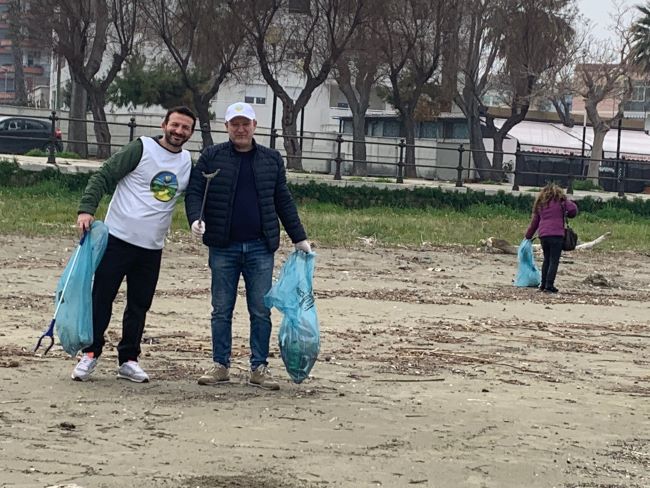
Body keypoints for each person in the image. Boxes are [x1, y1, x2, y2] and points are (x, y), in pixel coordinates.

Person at [185, 102, 311, 391]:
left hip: (260, 248)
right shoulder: (211, 157)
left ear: (255, 126)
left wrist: (299, 237)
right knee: (221, 309)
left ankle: (259, 367)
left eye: (245, 124)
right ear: (227, 127)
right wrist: (195, 218)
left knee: (260, 309)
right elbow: (194, 192)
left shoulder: (271, 159)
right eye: (234, 124)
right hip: (222, 247)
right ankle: (220, 365)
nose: (240, 129)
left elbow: (283, 200)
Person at [71, 106, 197, 382]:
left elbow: (195, 196)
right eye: (175, 125)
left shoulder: (187, 162)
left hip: (151, 248)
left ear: (191, 133)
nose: (179, 131)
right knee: (101, 299)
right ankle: (90, 354)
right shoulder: (141, 148)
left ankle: (128, 359)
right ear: (164, 124)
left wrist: (198, 220)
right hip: (117, 240)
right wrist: (86, 209)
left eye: (185, 128)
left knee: (139, 305)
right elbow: (103, 175)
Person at [524, 182, 578, 293]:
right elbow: (573, 210)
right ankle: (549, 285)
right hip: (557, 235)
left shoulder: (541, 204)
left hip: (543, 235)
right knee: (554, 260)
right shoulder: (561, 201)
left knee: (546, 260)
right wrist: (566, 201)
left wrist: (528, 236)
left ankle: (543, 284)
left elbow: (534, 223)